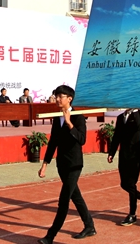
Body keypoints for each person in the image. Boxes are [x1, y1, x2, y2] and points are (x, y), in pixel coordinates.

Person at [37, 85, 95, 244]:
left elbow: (82, 140)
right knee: (76, 196)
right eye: (56, 96)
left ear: (69, 99)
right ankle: (89, 226)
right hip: (61, 164)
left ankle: (50, 236)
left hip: (74, 164)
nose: (56, 99)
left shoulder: (78, 117)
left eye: (60, 96)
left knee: (64, 200)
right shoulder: (57, 117)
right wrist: (45, 164)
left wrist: (70, 123)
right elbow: (53, 141)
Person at [107, 108, 140, 226]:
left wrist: (135, 109)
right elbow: (116, 136)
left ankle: (132, 215)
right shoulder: (120, 117)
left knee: (131, 184)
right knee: (124, 184)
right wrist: (111, 153)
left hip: (136, 155)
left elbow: (138, 127)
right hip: (124, 155)